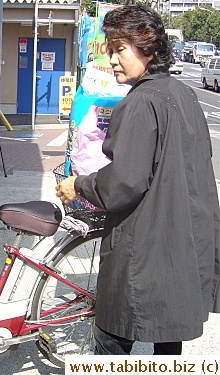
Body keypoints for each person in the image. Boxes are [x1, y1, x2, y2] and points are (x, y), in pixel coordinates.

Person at [56, 5, 219, 355]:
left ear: (150, 48)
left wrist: (78, 184)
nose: (112, 59)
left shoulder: (140, 103)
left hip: (145, 247)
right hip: (182, 243)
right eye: (110, 49)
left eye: (120, 49)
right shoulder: (183, 95)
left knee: (112, 338)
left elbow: (122, 185)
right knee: (167, 334)